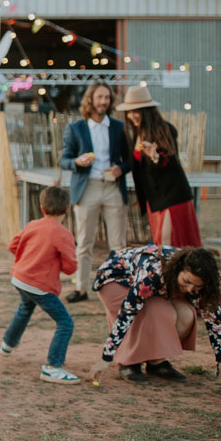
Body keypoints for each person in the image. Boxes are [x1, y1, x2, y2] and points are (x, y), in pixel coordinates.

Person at [89, 245, 221, 388]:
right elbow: (126, 314)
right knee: (159, 313)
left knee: (186, 315)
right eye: (187, 282)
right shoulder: (153, 273)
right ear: (178, 269)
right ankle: (128, 362)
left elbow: (216, 323)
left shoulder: (200, 283)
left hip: (148, 284)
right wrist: (105, 358)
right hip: (115, 280)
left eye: (197, 286)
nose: (191, 289)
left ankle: (155, 361)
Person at [0, 186, 81, 384]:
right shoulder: (63, 234)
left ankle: (7, 344)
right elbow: (70, 267)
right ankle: (52, 367)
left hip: (19, 278)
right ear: (67, 208)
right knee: (65, 323)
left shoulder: (33, 225)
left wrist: (30, 257)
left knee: (25, 308)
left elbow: (12, 245)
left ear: (42, 207)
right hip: (38, 285)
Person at [59, 81, 131, 303]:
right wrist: (77, 161)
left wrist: (121, 168)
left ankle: (120, 288)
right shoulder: (76, 128)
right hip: (87, 187)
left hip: (112, 187)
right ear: (90, 100)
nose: (103, 102)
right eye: (100, 97)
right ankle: (81, 288)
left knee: (118, 243)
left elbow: (130, 160)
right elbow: (64, 160)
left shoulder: (118, 128)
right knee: (84, 241)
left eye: (107, 98)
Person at [118, 85, 199, 246]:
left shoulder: (164, 129)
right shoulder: (135, 135)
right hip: (154, 199)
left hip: (172, 197)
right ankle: (164, 272)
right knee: (160, 244)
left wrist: (155, 157)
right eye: (129, 111)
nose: (132, 115)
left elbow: (170, 160)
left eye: (137, 111)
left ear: (147, 111)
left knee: (168, 243)